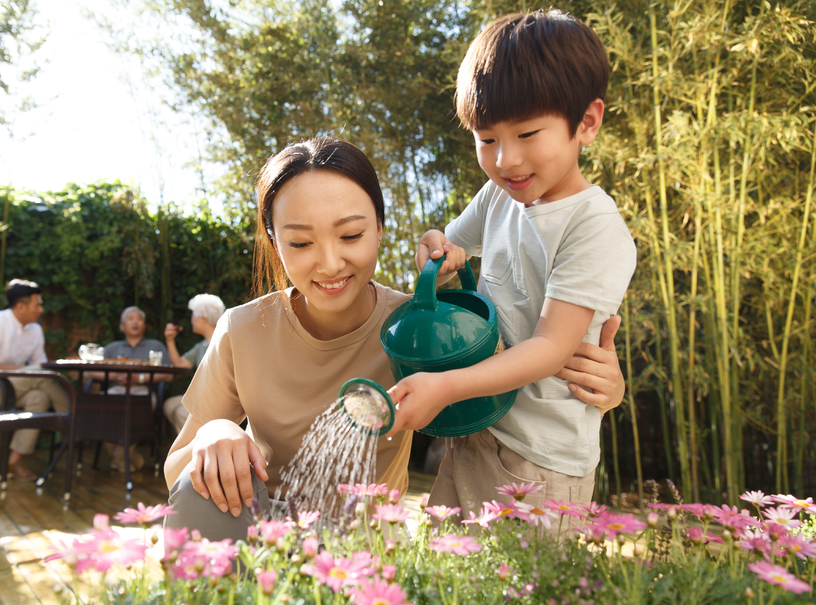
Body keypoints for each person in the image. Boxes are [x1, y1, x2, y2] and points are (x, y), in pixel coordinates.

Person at [163, 136, 626, 542]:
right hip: (257, 531)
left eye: (351, 235)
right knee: (198, 490)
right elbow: (176, 471)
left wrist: (602, 390)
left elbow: (509, 380)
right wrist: (215, 432)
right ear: (273, 241)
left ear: (380, 229)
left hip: (357, 552)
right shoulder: (243, 329)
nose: (329, 263)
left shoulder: (415, 330)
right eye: (301, 243)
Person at [386, 11, 637, 520]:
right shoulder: (497, 197)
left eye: (526, 134)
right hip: (477, 427)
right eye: (486, 139)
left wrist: (445, 386)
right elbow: (446, 248)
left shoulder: (592, 225)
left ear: (587, 123)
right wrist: (436, 251)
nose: (505, 160)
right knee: (448, 566)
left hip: (540, 461)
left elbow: (549, 348)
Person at [0, 279, 70, 481]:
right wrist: (26, 370)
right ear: (20, 306)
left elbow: (41, 366)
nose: (41, 310)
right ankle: (73, 416)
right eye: (37, 305)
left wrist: (30, 371)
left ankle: (15, 460)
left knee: (38, 397)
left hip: (15, 390)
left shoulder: (35, 330)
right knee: (37, 375)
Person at [89, 306, 173, 471]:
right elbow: (90, 371)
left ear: (144, 325)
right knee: (102, 406)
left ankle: (120, 457)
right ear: (122, 326)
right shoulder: (111, 348)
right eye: (130, 318)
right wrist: (114, 376)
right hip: (115, 391)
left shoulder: (155, 346)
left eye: (139, 319)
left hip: (143, 392)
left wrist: (139, 378)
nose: (135, 322)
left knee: (135, 407)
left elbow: (168, 375)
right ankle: (128, 458)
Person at [161, 294, 226, 434]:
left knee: (180, 412)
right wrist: (170, 340)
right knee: (169, 405)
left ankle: (195, 445)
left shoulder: (223, 340)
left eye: (193, 316)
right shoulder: (201, 345)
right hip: (201, 397)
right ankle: (192, 441)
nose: (191, 320)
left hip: (217, 399)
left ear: (202, 318)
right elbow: (180, 365)